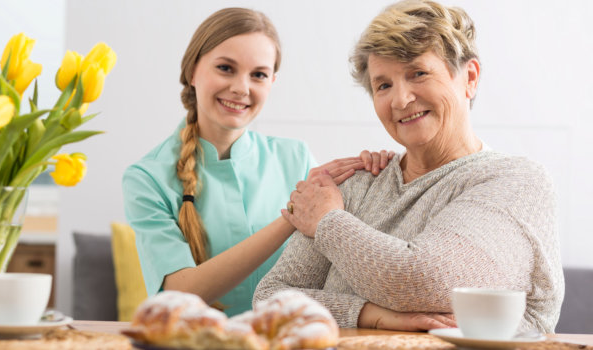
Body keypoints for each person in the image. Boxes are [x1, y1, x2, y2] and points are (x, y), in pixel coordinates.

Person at [254, 0, 563, 333]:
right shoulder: (356, 184)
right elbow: (270, 299)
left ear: (469, 77)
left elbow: (426, 281)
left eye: (418, 73)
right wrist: (370, 314)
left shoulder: (516, 182)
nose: (400, 100)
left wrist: (328, 223)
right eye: (383, 85)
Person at [122, 7, 390, 317]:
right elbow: (180, 292)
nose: (241, 87)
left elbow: (341, 261)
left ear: (272, 81)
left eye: (258, 75)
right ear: (192, 70)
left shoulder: (297, 157)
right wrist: (294, 214)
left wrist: (375, 175)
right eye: (225, 68)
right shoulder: (147, 177)